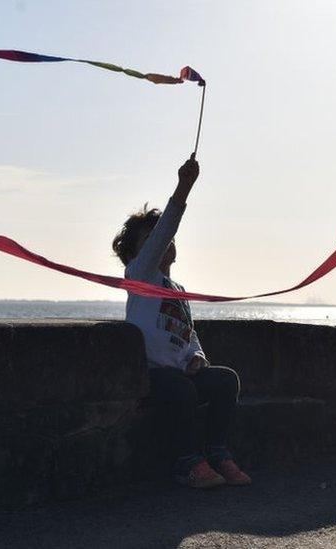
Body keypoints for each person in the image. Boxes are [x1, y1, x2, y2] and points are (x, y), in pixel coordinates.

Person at [112, 154, 251, 488]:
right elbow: (163, 235)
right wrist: (183, 188)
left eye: (164, 237)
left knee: (225, 381)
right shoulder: (139, 275)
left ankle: (217, 453)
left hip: (182, 376)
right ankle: (188, 463)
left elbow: (189, 334)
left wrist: (197, 357)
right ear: (136, 255)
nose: (164, 241)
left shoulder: (178, 291)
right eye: (152, 240)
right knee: (180, 389)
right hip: (154, 377)